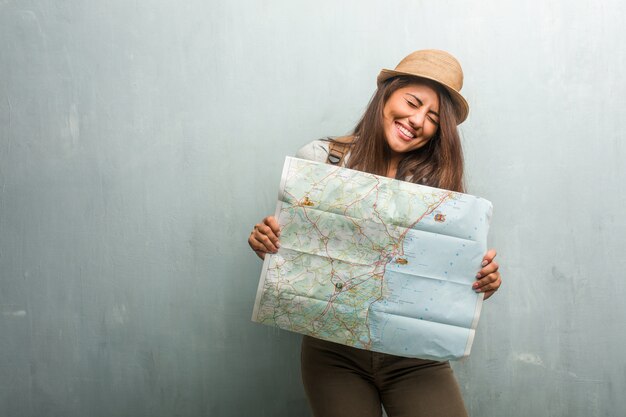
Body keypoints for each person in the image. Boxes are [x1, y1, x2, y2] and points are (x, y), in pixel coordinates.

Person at [248, 49, 502, 417]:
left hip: (414, 355)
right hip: (334, 354)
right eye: (412, 102)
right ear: (386, 95)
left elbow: (446, 280)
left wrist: (481, 280)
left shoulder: (439, 190)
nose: (417, 121)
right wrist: (268, 243)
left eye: (433, 118)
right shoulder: (321, 160)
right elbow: (294, 251)